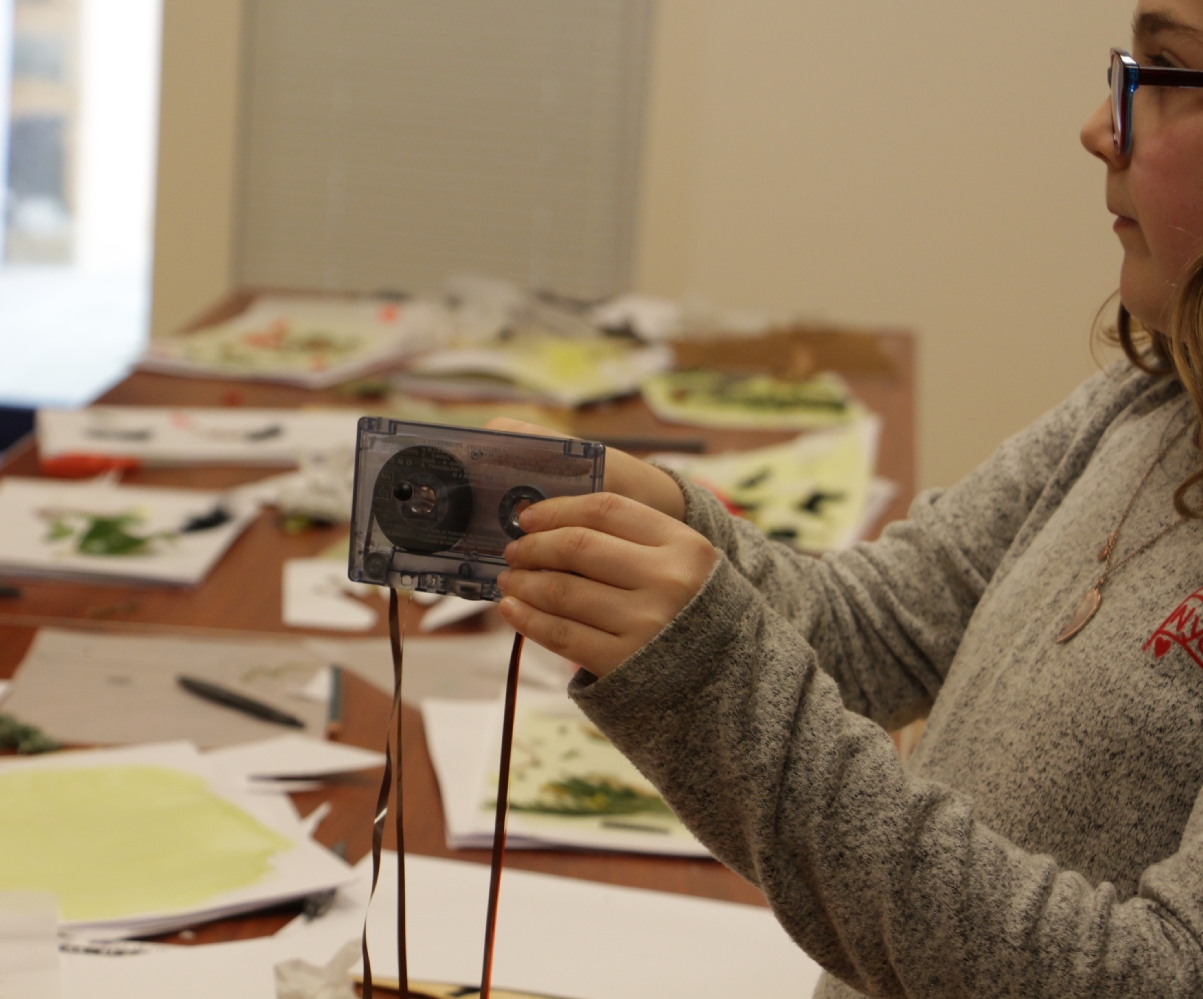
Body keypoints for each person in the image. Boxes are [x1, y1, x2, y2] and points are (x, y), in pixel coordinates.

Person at [489, 3, 1203, 995]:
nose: (1100, 125)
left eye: (1166, 71)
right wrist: (662, 515)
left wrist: (709, 678)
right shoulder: (1148, 401)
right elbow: (869, 628)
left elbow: (1152, 979)